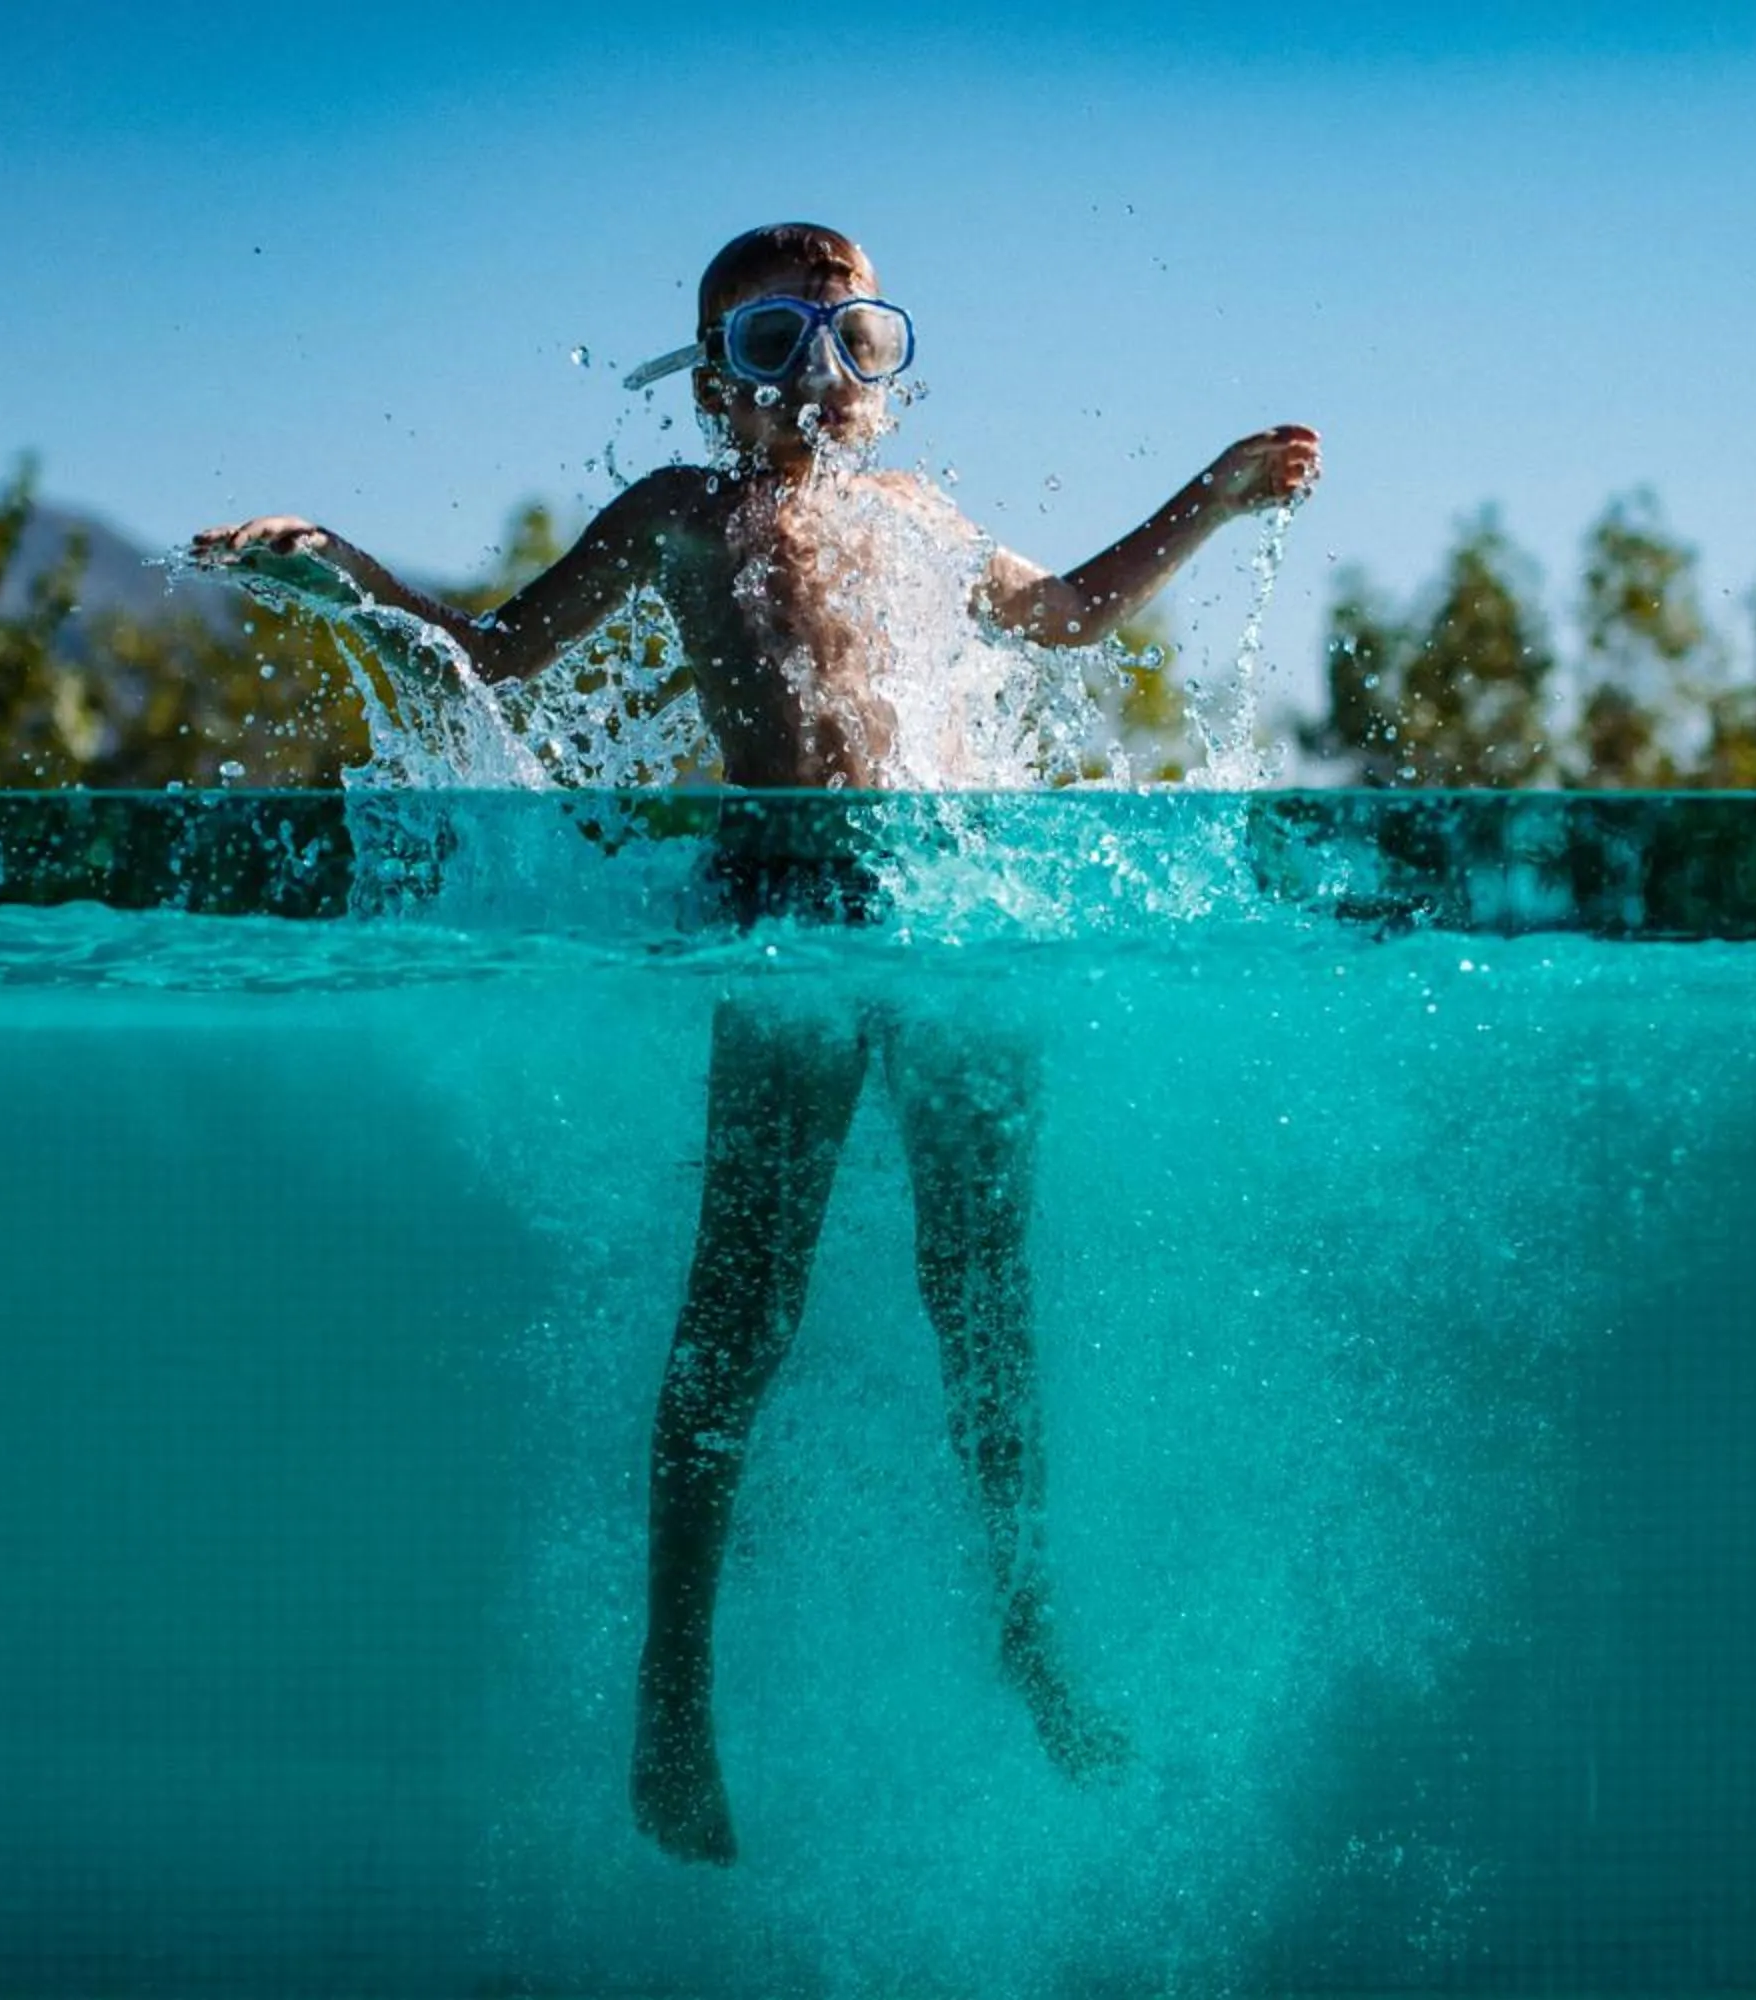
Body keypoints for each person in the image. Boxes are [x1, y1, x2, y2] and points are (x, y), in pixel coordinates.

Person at [192, 222, 1318, 1864]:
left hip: (951, 919)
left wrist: (1212, 499)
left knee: (984, 1306)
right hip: (782, 912)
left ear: (889, 365)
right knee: (740, 1313)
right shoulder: (680, 513)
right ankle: (672, 1699)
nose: (821, 376)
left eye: (856, 339)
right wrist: (340, 571)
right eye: (775, 344)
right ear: (714, 384)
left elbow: (1072, 616)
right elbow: (495, 654)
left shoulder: (928, 518)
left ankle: (1028, 1633)